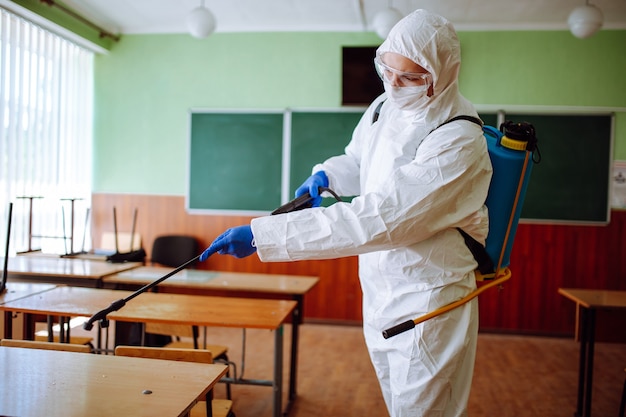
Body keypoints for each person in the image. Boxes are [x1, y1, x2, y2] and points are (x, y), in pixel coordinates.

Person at [200, 9, 492, 417]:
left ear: (443, 74)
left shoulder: (459, 139)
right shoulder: (383, 106)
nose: (393, 84)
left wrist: (264, 234)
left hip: (429, 301)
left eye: (409, 77)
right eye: (387, 70)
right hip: (380, 294)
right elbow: (361, 158)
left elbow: (381, 219)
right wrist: (327, 176)